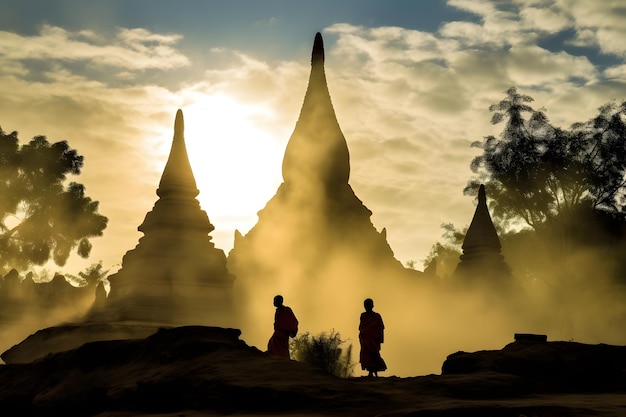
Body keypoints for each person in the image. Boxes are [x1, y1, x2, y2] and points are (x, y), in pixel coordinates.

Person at [359, 298, 387, 377]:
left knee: (374, 355)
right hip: (365, 339)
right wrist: (362, 336)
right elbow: (361, 327)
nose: (367, 307)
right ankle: (371, 373)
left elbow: (381, 328)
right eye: (366, 305)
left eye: (369, 305)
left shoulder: (377, 316)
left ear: (372, 306)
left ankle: (374, 372)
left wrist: (380, 340)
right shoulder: (363, 315)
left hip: (374, 339)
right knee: (367, 355)